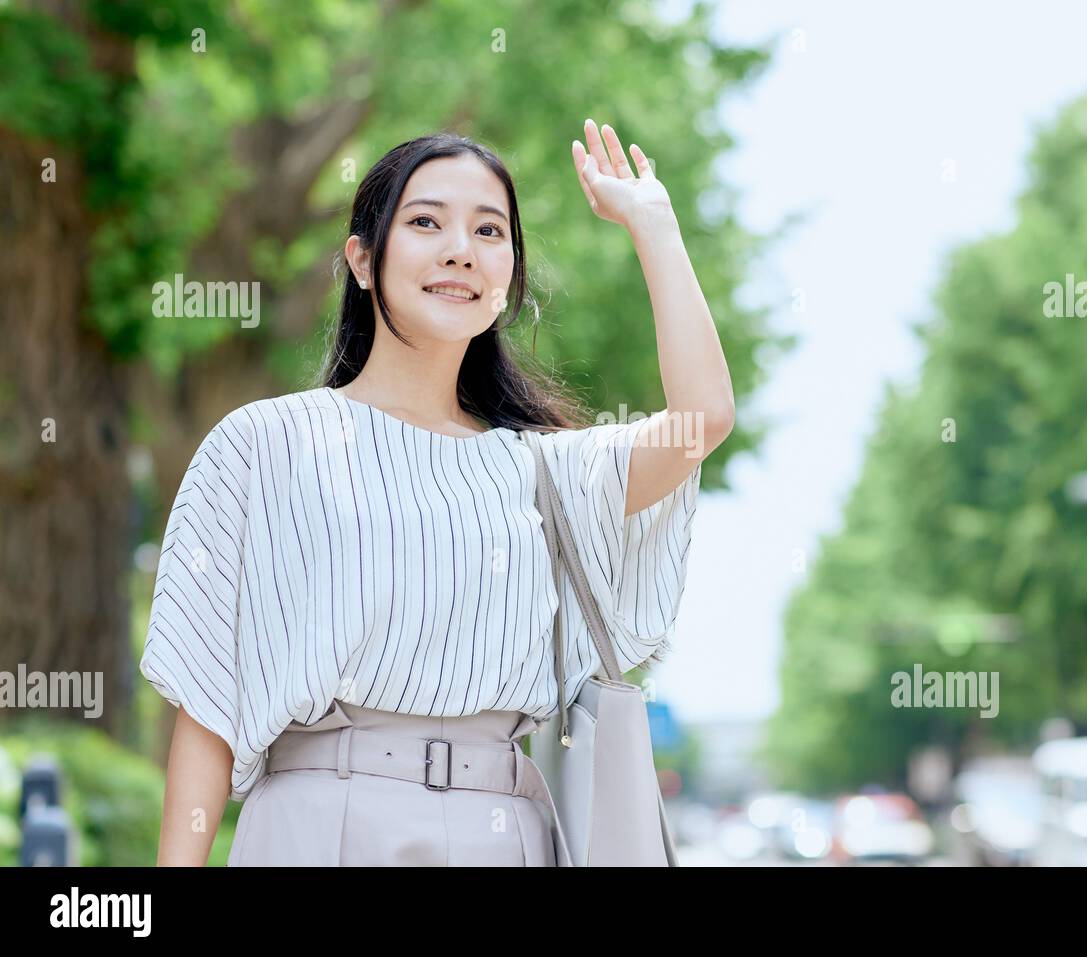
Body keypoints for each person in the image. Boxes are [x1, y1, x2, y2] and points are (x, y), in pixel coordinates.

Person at [141, 120, 735, 866]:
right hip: (315, 824)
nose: (460, 248)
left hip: (502, 830)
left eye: (489, 231)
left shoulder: (543, 471)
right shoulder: (262, 445)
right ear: (362, 258)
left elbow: (702, 420)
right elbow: (206, 705)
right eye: (426, 222)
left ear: (509, 276)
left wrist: (653, 223)